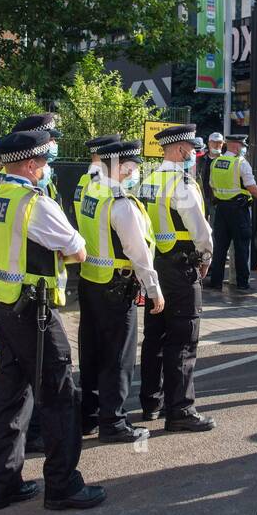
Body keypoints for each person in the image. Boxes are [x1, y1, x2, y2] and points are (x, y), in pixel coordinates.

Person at [0, 128, 105, 510]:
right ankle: (63, 484)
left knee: (12, 396)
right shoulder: (35, 203)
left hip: (5, 307)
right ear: (32, 165)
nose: (48, 169)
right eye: (46, 164)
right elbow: (78, 250)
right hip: (36, 313)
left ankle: (4, 483)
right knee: (59, 395)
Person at [77, 139, 160, 442]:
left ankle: (89, 417)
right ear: (124, 167)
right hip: (117, 286)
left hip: (91, 282)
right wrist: (153, 289)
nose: (137, 170)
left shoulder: (91, 190)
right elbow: (138, 251)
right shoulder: (120, 202)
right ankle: (113, 422)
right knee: (118, 357)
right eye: (135, 165)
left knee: (92, 353)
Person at [138, 124, 217, 430]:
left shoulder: (150, 180)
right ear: (181, 149)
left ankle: (151, 402)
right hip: (181, 267)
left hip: (156, 266)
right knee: (183, 341)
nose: (194, 154)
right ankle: (181, 411)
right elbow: (201, 231)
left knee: (155, 338)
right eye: (192, 149)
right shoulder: (181, 184)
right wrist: (206, 259)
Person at [206, 133, 257, 292]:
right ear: (235, 145)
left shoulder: (216, 162)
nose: (243, 148)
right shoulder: (241, 163)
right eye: (242, 145)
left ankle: (216, 281)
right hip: (238, 211)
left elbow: (212, 184)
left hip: (221, 210)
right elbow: (251, 187)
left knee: (220, 247)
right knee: (241, 247)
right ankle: (242, 283)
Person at [198, 132, 224, 214]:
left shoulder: (225, 161)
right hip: (202, 196)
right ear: (209, 143)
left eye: (219, 142)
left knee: (214, 225)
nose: (217, 145)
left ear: (223, 144)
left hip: (218, 199)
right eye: (214, 142)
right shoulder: (200, 160)